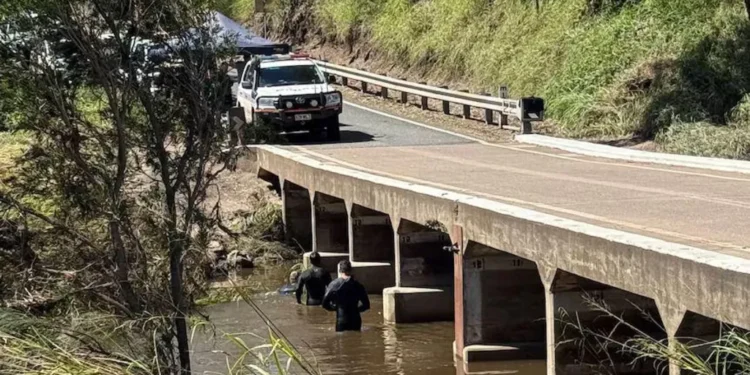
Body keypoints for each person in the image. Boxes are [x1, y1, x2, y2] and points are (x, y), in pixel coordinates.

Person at [322, 260, 370, 332]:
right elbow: (366, 305)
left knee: (341, 340)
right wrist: (356, 310)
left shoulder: (334, 284)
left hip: (342, 319)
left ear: (340, 270)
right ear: (351, 270)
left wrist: (335, 308)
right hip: (355, 320)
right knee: (356, 340)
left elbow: (324, 303)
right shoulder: (358, 285)